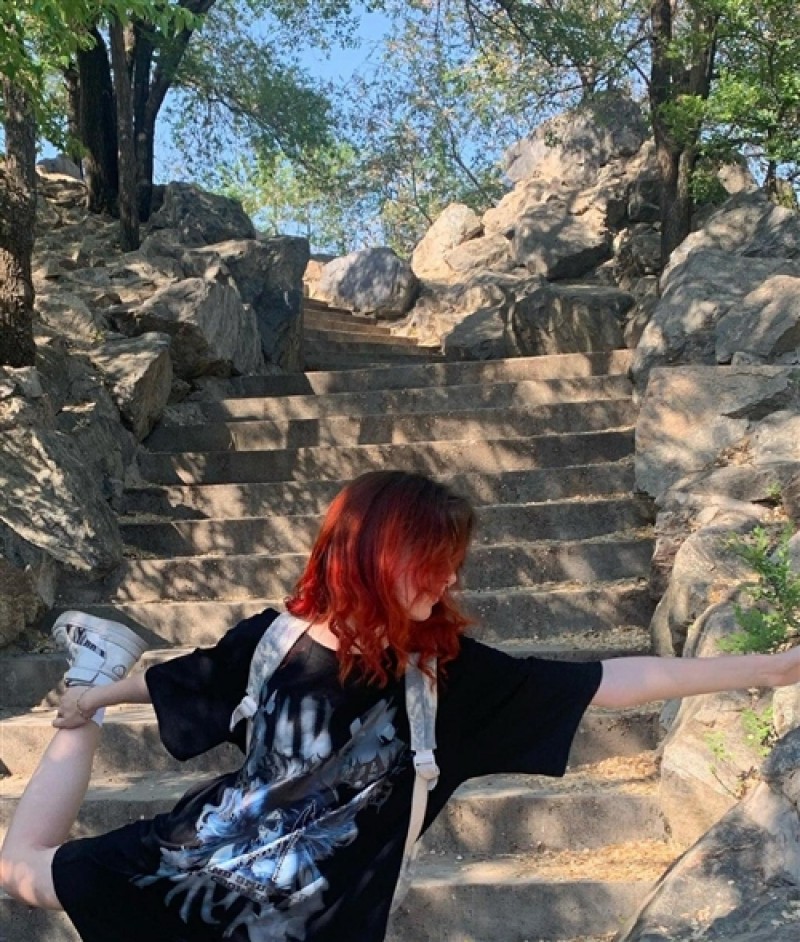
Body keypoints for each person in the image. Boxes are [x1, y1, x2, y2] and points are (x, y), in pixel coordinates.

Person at [1, 469, 799, 942]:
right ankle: (89, 683)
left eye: (454, 561)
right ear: (373, 558)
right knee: (20, 873)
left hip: (315, 922)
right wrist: (100, 695)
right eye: (433, 561)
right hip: (198, 865)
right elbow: (191, 679)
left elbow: (610, 679)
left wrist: (771, 667)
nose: (449, 579)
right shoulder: (275, 639)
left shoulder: (449, 679)